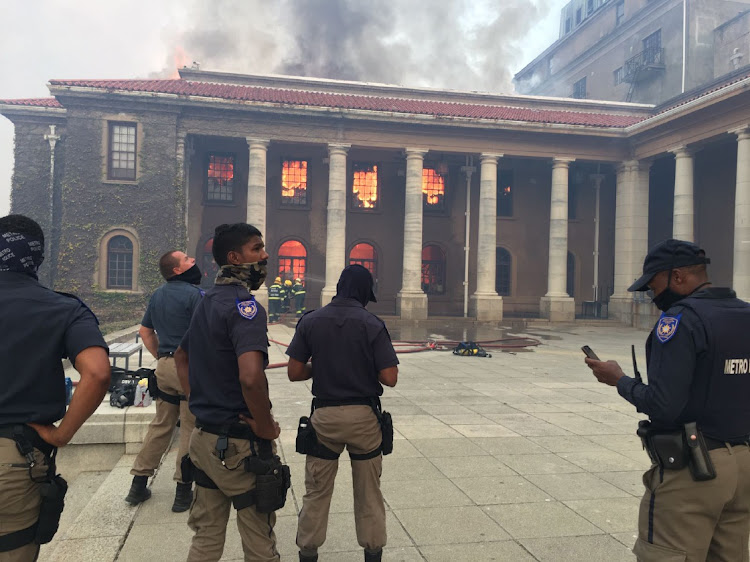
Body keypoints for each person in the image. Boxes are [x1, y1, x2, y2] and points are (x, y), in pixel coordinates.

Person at [585, 239, 750, 561]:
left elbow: (664, 405)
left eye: (653, 285)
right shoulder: (745, 313)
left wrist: (620, 380)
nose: (652, 294)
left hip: (697, 469)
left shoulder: (679, 321)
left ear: (677, 277)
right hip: (744, 464)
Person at [0, 214, 110, 561]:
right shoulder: (64, 308)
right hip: (14, 458)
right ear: (40, 257)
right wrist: (62, 434)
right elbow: (96, 373)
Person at [175, 223, 284, 562]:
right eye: (257, 249)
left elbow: (181, 355)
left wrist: (199, 401)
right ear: (235, 257)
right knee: (258, 536)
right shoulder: (245, 308)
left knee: (206, 535)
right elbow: (251, 378)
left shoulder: (207, 302)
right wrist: (265, 426)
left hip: (204, 438)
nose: (265, 256)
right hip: (238, 446)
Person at [287, 264, 399, 562]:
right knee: (369, 493)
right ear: (365, 293)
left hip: (324, 418)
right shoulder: (372, 323)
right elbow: (390, 378)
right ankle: (372, 552)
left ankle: (308, 552)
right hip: (364, 418)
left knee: (317, 492)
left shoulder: (311, 321)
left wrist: (320, 367)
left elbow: (295, 372)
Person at [125, 250, 203, 512]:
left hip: (165, 367)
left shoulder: (158, 294)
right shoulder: (195, 296)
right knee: (190, 427)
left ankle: (138, 484)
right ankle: (183, 492)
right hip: (189, 368)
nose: (193, 261)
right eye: (188, 259)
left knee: (161, 425)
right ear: (178, 270)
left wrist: (160, 355)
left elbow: (145, 331)